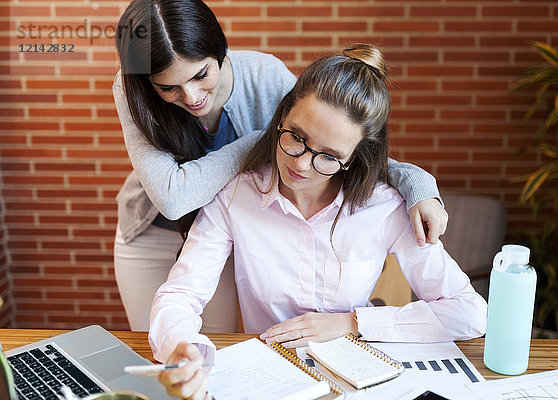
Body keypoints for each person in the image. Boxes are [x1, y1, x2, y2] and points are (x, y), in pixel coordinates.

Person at [149, 44, 487, 399]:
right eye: (297, 137)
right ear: (282, 115)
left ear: (355, 157)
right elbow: (180, 295)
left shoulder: (384, 207)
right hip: (268, 380)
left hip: (361, 379)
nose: (302, 165)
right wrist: (180, 347)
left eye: (329, 156)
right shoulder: (236, 196)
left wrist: (351, 323)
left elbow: (469, 313)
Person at [113, 0, 449, 332]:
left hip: (229, 228)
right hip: (153, 231)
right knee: (154, 344)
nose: (191, 97)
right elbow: (172, 199)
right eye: (168, 87)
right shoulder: (132, 89)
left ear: (220, 50)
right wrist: (263, 140)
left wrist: (419, 186)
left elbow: (338, 142)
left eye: (201, 75)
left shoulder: (264, 76)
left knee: (212, 345)